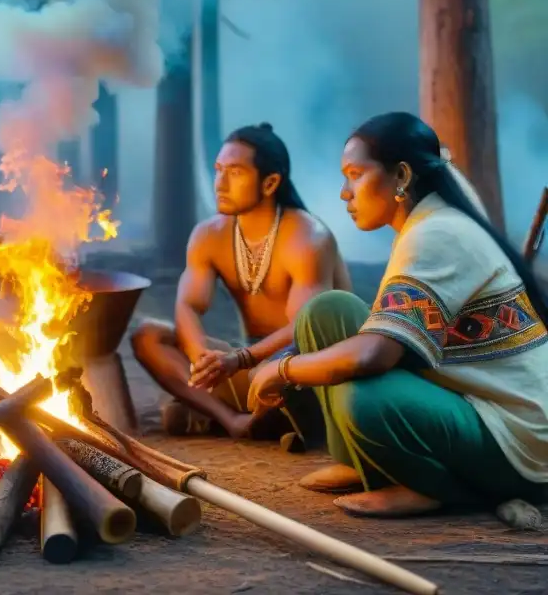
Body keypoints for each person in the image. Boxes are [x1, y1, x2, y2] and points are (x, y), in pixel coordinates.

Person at [248, 112, 548, 518]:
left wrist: (282, 369)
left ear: (402, 175)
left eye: (355, 174)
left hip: (516, 438)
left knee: (363, 394)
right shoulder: (430, 212)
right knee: (327, 312)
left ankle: (437, 488)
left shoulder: (436, 232)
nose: (344, 193)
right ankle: (370, 464)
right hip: (468, 398)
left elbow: (374, 355)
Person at [130, 123, 351, 441]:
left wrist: (240, 359)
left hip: (301, 369)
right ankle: (232, 418)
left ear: (270, 182)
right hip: (245, 365)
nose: (220, 183)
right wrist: (201, 358)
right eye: (218, 170)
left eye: (235, 172)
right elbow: (188, 305)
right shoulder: (208, 235)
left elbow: (305, 327)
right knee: (148, 335)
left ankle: (238, 415)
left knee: (275, 375)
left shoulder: (307, 237)